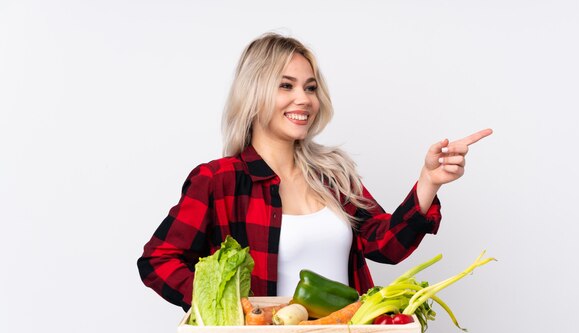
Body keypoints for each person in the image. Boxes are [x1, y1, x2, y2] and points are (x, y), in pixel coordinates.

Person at [137, 33, 492, 311]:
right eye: (286, 85)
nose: (304, 99)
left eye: (310, 87)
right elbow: (158, 261)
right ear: (254, 93)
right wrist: (226, 309)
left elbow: (385, 246)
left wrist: (428, 181)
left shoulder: (333, 175)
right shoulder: (219, 180)